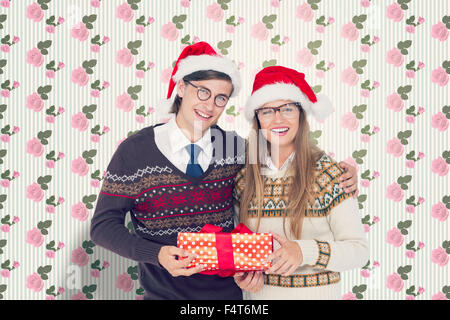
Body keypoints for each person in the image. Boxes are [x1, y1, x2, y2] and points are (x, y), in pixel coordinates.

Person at [90, 42, 359, 300]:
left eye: (221, 98)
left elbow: (285, 152)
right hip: (162, 295)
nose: (209, 106)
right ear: (181, 86)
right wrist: (156, 254)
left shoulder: (236, 148)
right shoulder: (135, 151)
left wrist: (340, 172)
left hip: (230, 295)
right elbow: (102, 227)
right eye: (202, 91)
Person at [233, 66, 369, 300]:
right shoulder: (244, 179)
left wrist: (303, 251)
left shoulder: (329, 175)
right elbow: (240, 249)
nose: (278, 118)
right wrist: (243, 276)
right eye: (267, 111)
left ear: (301, 114)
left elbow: (359, 251)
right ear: (257, 118)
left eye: (287, 108)